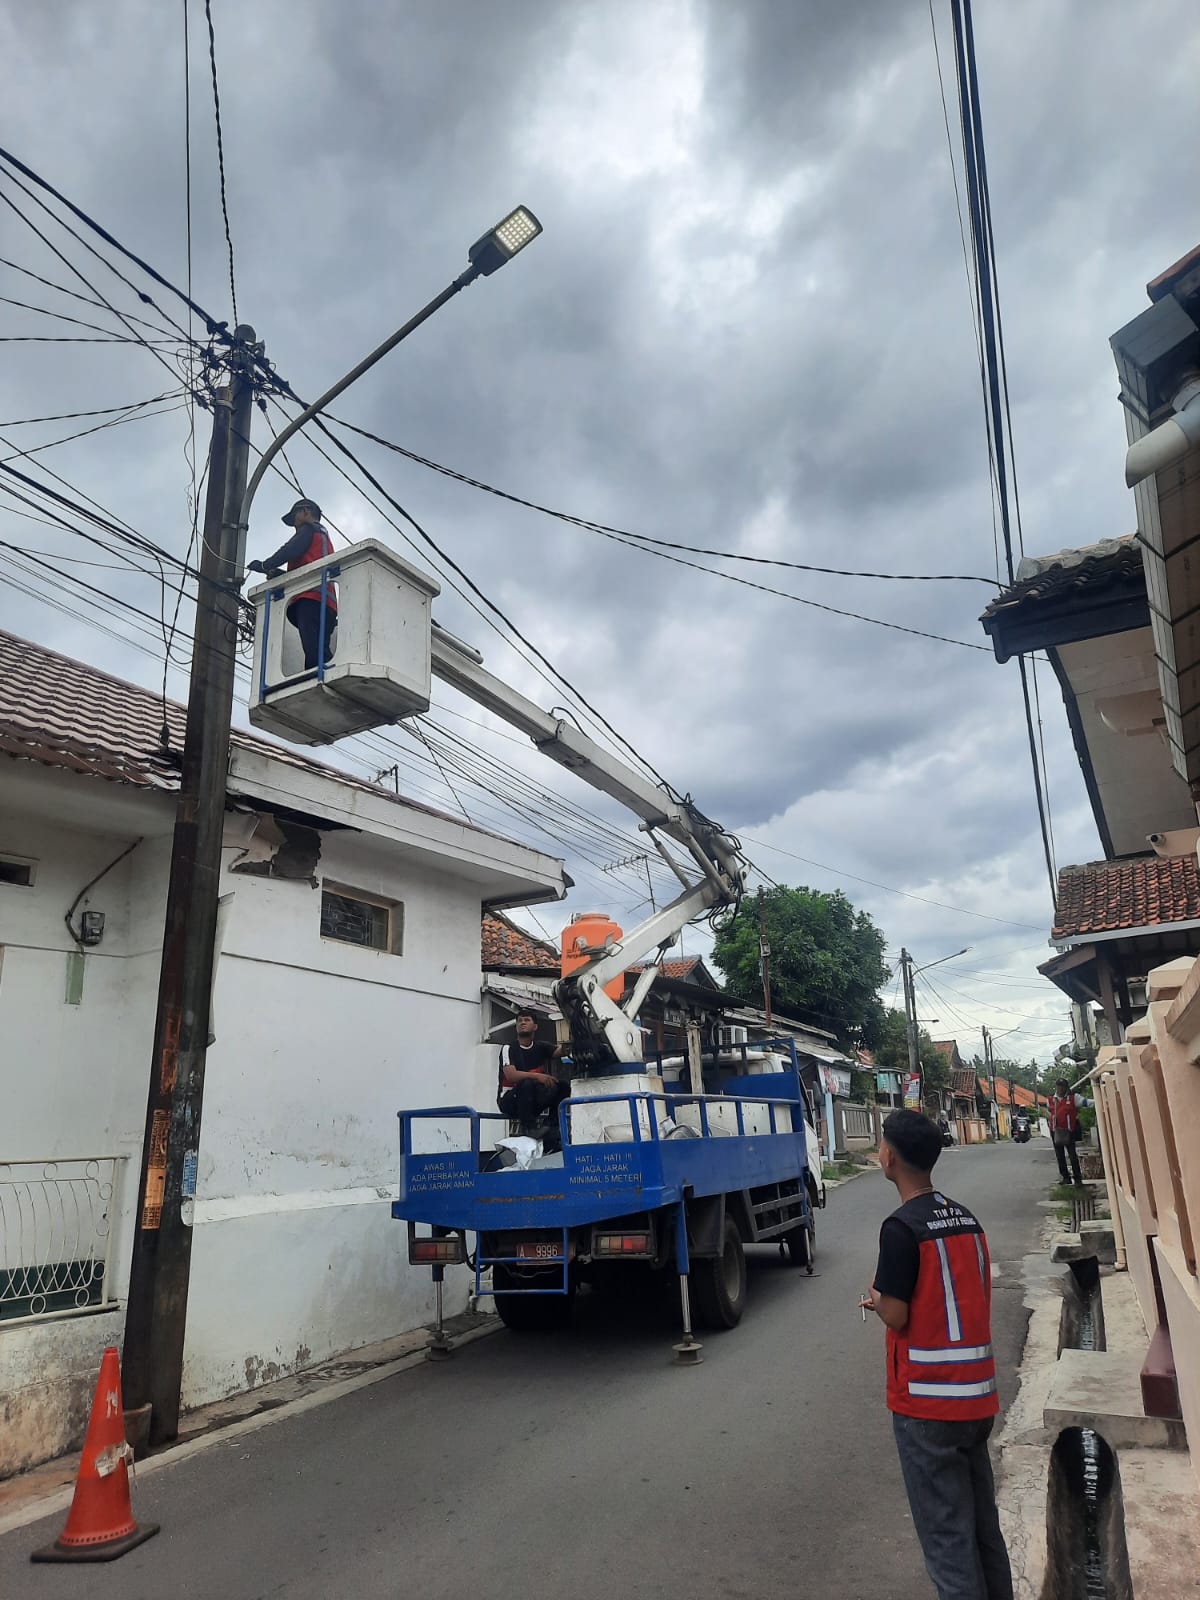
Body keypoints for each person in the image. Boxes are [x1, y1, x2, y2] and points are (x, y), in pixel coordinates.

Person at [861, 1109, 1013, 1600]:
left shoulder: (900, 1228)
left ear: (889, 1157)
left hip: (927, 1405)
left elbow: (897, 1314)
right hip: (978, 1400)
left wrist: (877, 1299)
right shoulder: (966, 1218)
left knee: (948, 1544)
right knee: (982, 1531)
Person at [247, 498, 338, 671]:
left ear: (306, 512)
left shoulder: (309, 529)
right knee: (318, 652)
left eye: (295, 517)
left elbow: (290, 550)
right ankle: (319, 678)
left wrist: (265, 565)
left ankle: (320, 681)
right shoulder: (322, 537)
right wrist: (278, 574)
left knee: (315, 655)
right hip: (327, 603)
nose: (295, 524)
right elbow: (308, 568)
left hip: (310, 598)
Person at [498, 1009, 568, 1135]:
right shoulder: (508, 1048)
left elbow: (560, 1051)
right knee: (527, 1083)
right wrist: (537, 1076)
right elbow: (511, 1075)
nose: (522, 1023)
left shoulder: (540, 1046)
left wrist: (568, 1037)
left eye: (526, 1020)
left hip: (533, 1100)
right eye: (519, 1021)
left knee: (563, 1086)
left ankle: (551, 1125)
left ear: (535, 1026)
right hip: (510, 1101)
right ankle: (529, 1129)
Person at [1047, 1077, 1092, 1187]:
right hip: (1056, 1131)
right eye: (1058, 1086)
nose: (1060, 1089)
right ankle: (1065, 1177)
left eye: (1062, 1086)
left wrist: (1100, 1101)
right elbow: (1049, 1111)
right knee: (1060, 1156)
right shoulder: (1051, 1099)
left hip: (1069, 1131)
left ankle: (1077, 1179)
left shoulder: (1073, 1098)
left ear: (1066, 1087)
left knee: (1072, 1155)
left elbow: (1086, 1102)